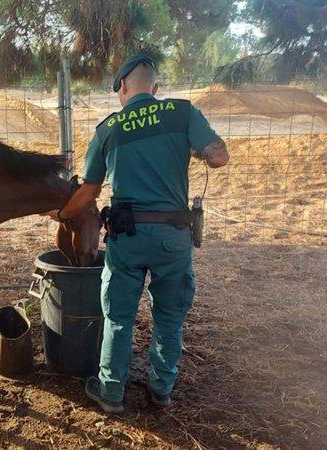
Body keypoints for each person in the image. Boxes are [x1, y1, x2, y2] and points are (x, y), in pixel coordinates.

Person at [49, 54, 229, 414]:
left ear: (122, 88)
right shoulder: (183, 113)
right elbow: (219, 156)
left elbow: (89, 191)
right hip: (173, 236)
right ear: (156, 88)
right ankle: (161, 389)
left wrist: (62, 214)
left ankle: (111, 391)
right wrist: (197, 152)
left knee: (118, 316)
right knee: (169, 315)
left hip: (127, 238)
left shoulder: (109, 129)